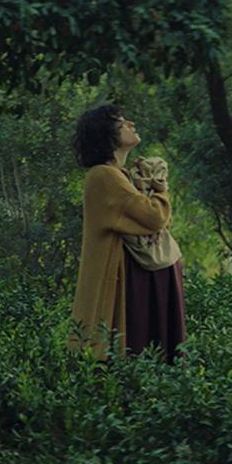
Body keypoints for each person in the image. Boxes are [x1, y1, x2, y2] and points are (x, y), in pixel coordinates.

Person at [68, 104, 186, 362]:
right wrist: (160, 188)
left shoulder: (119, 177)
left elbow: (157, 222)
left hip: (141, 280)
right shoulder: (103, 177)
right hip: (129, 285)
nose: (131, 123)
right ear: (106, 134)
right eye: (121, 122)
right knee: (133, 361)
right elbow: (154, 216)